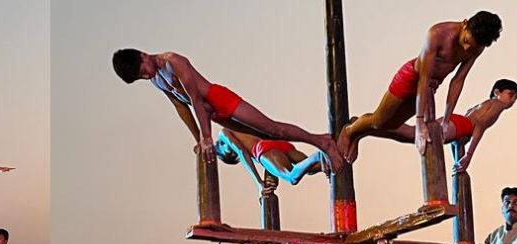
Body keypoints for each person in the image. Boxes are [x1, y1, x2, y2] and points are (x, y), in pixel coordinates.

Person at [110, 48, 345, 171]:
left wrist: (207, 137)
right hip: (210, 113)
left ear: (143, 55)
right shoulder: (156, 80)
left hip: (218, 99)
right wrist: (199, 140)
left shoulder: (173, 62)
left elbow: (195, 98)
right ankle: (321, 144)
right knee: (263, 136)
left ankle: (322, 142)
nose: (146, 76)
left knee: (273, 129)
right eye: (141, 78)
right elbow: (182, 108)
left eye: (143, 71)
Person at [337, 11, 504, 162]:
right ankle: (350, 130)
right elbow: (424, 78)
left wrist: (446, 120)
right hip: (411, 78)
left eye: (472, 47)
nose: (467, 48)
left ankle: (359, 130)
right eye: (466, 41)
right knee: (378, 121)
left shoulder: (478, 46)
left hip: (431, 85)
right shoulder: (438, 34)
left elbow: (458, 80)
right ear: (465, 23)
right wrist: (419, 121)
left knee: (392, 126)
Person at [363, 79, 517, 173]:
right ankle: (369, 124)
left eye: (515, 98)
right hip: (460, 124)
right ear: (497, 92)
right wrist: (468, 156)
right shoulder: (497, 104)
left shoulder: (485, 104)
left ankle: (368, 126)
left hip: (457, 122)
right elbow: (479, 126)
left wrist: (457, 159)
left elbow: (460, 138)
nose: (512, 100)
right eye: (511, 95)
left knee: (412, 134)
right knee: (413, 134)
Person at [215, 129, 325, 188]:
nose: (232, 154)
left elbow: (242, 152)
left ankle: (319, 155)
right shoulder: (238, 130)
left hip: (262, 149)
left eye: (229, 154)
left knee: (291, 177)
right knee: (311, 168)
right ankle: (330, 157)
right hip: (275, 144)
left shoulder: (223, 133)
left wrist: (259, 183)